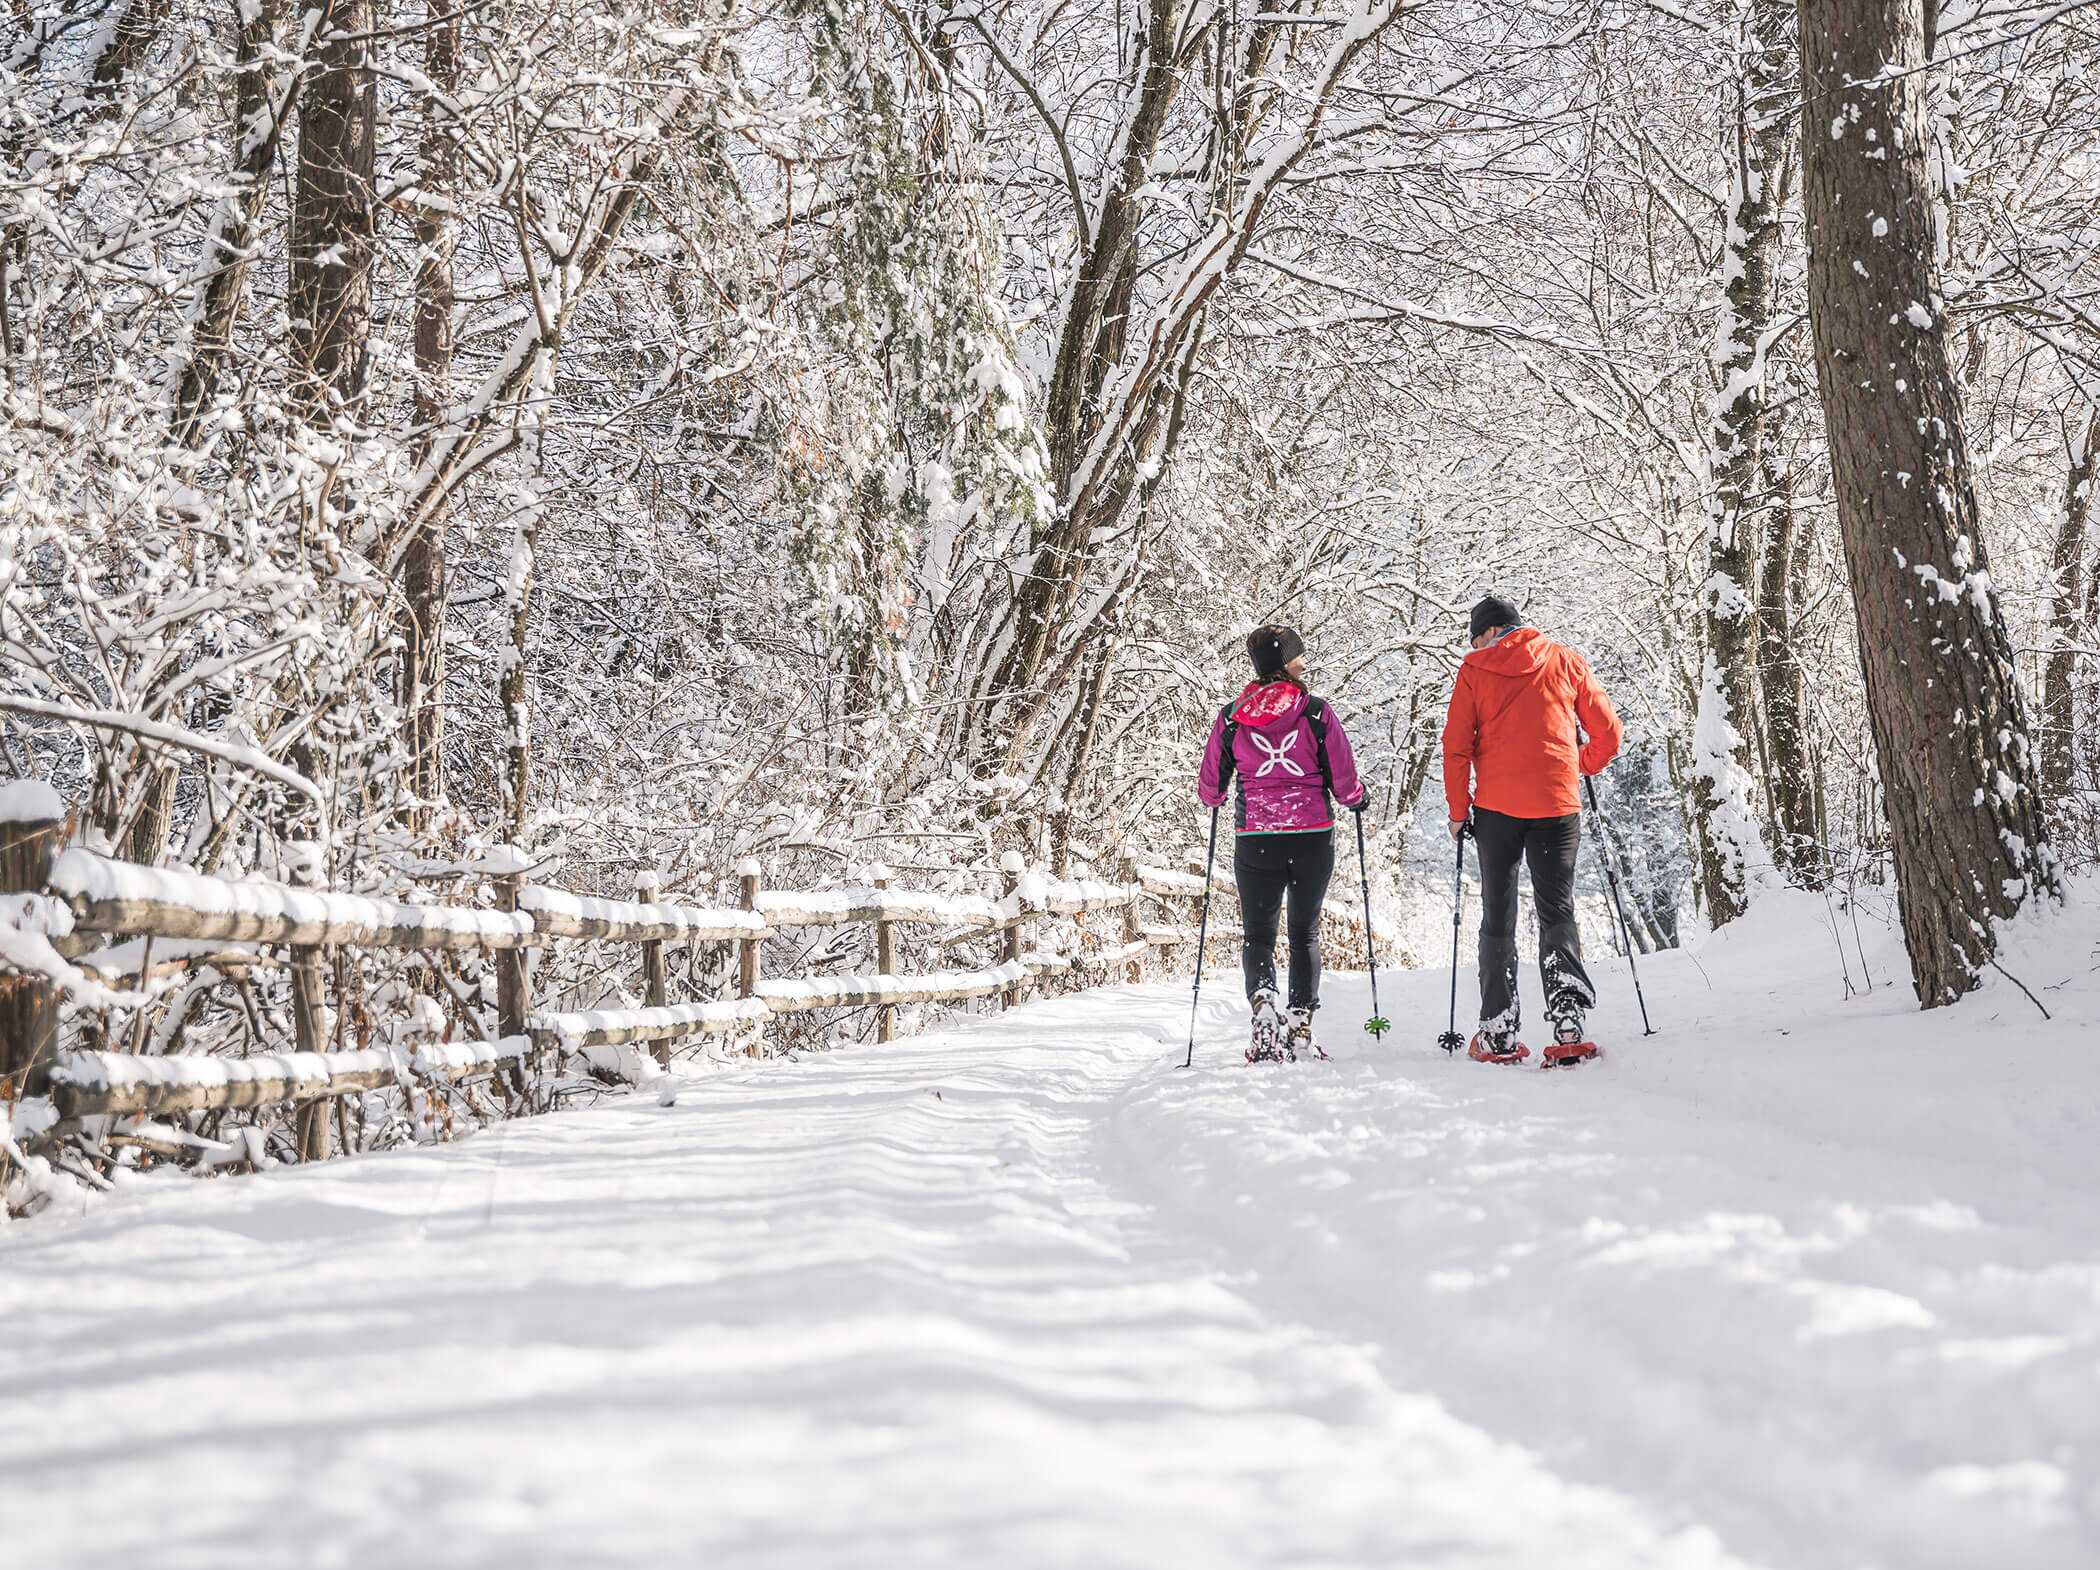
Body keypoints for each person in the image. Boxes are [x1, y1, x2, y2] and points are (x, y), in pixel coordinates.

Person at [1440, 595, 1623, 1061]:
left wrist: (1459, 812)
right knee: (1557, 910)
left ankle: (1499, 1029)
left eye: (1474, 639)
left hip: (1497, 811)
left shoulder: (1474, 671)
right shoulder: (1565, 660)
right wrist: (1579, 763)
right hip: (1557, 806)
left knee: (1498, 914)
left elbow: (1456, 748)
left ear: (1485, 634)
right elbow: (1609, 733)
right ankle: (1567, 1022)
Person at [1198, 624, 1367, 1059]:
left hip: (1256, 837)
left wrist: (1222, 793)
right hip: (1312, 837)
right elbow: (1344, 781)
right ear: (1286, 664)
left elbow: (1210, 790)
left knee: (1258, 935)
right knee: (1304, 933)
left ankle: (1263, 1005)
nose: (1305, 663)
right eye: (1298, 657)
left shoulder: (1232, 717)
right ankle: (1300, 1023)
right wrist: (1357, 799)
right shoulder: (1315, 713)